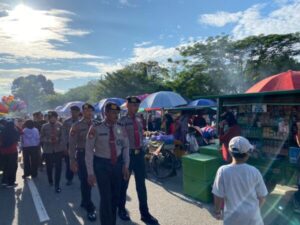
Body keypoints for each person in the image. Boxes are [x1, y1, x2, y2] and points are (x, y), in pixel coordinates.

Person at [85, 102, 130, 225]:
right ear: (105, 113)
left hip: (117, 165)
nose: (116, 115)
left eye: (117, 113)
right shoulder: (95, 128)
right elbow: (88, 151)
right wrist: (90, 173)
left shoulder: (121, 127)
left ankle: (112, 222)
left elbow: (126, 147)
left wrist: (126, 165)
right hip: (101, 165)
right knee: (106, 198)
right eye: (113, 113)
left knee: (115, 197)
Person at [118, 96, 158, 224]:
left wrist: (144, 148)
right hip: (127, 156)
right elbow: (119, 141)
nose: (135, 108)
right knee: (123, 185)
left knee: (141, 186)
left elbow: (140, 135)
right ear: (127, 106)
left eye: (136, 106)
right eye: (132, 105)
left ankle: (145, 213)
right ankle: (121, 210)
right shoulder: (122, 121)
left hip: (139, 155)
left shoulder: (139, 119)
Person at [212, 136, 268, 225]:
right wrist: (254, 210)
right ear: (248, 154)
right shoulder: (254, 171)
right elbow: (262, 197)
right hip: (253, 219)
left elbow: (218, 195)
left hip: (232, 220)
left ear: (230, 152)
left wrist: (217, 211)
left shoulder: (222, 171)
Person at [69, 103, 97, 222]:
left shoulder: (97, 124)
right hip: (82, 155)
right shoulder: (76, 125)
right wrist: (72, 160)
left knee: (90, 181)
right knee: (86, 181)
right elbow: (71, 144)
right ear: (83, 112)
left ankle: (84, 201)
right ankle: (90, 207)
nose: (88, 113)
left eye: (90, 111)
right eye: (86, 110)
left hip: (96, 156)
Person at [40, 111, 64, 193]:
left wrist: (59, 140)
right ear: (49, 118)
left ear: (57, 118)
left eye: (55, 117)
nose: (53, 119)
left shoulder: (60, 126)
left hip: (58, 150)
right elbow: (41, 138)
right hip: (48, 150)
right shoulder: (44, 126)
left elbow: (63, 137)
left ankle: (57, 185)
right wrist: (48, 140)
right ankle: (50, 180)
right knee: (49, 167)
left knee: (58, 168)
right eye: (51, 118)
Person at [61, 105, 80, 185]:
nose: (73, 113)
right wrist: (64, 147)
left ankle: (82, 179)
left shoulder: (82, 122)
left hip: (80, 145)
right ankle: (69, 178)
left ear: (78, 112)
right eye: (72, 112)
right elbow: (64, 135)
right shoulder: (66, 122)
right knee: (69, 162)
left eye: (75, 112)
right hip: (69, 145)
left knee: (81, 162)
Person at [0, 119, 20, 188]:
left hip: (3, 151)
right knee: (12, 167)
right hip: (12, 151)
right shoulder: (14, 132)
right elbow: (19, 136)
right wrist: (16, 127)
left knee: (5, 166)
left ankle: (4, 181)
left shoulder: (2, 132)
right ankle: (11, 183)